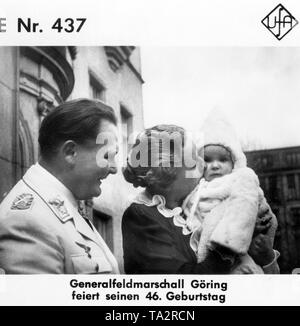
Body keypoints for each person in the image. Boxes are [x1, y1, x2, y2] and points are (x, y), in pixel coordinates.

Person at [121, 124, 276, 274]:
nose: (203, 164)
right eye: (193, 161)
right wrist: (236, 233)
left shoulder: (187, 208)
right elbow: (186, 285)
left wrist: (266, 257)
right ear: (168, 172)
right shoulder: (141, 216)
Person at [0, 98, 120, 274]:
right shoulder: (28, 220)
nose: (114, 168)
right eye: (107, 156)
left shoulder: (60, 205)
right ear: (71, 152)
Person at [182, 111, 280, 274]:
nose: (214, 165)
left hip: (241, 255)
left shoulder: (242, 183)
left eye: (222, 159)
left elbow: (265, 215)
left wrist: (257, 227)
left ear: (234, 162)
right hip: (209, 260)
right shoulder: (195, 193)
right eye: (207, 159)